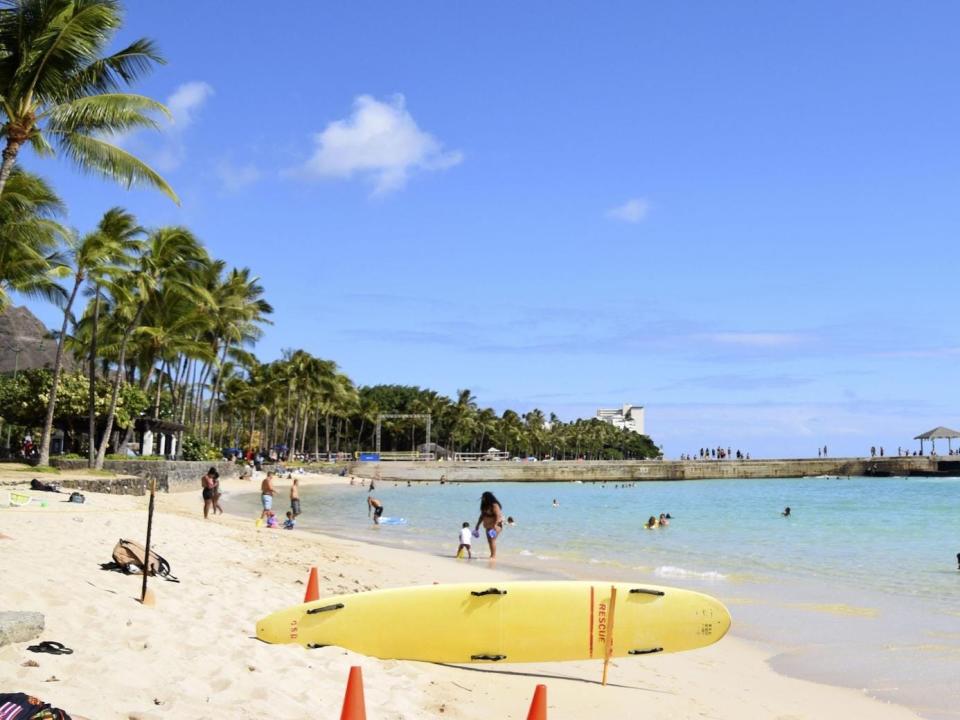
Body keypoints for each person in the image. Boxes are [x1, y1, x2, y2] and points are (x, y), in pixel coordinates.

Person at [475, 491, 504, 559]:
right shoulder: (484, 506)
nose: (482, 499)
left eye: (483, 497)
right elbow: (482, 516)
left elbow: (498, 516)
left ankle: (493, 556)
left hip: (496, 525)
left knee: (492, 540)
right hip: (488, 525)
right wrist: (477, 525)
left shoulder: (494, 505)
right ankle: (492, 555)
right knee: (489, 541)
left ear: (488, 498)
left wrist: (495, 525)